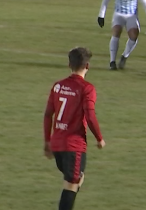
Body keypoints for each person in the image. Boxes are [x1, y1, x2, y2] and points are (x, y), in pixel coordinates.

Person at [43, 47, 105, 210]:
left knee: (75, 180)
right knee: (71, 185)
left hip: (57, 145)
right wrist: (99, 138)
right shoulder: (87, 88)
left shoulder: (58, 86)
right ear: (88, 66)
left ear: (69, 64)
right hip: (74, 147)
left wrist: (47, 141)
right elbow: (90, 116)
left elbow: (48, 114)